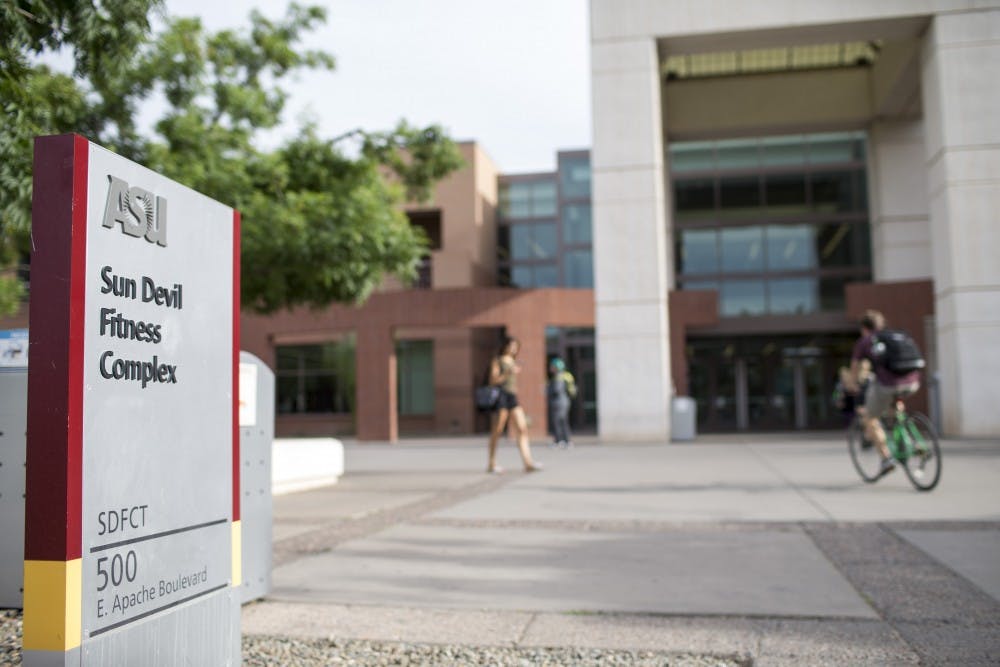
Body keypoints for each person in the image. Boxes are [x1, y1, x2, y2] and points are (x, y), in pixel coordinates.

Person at [847, 309, 921, 477]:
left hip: (888, 384)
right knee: (895, 408)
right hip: (913, 381)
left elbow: (855, 367)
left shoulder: (865, 341)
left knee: (869, 417)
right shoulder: (895, 335)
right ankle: (912, 441)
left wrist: (853, 384)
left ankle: (886, 458)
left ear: (864, 327)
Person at [486, 336, 542, 473]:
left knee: (522, 428)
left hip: (512, 397)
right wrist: (507, 373)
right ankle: (492, 463)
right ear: (505, 346)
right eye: (511, 346)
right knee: (497, 431)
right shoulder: (498, 360)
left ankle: (528, 462)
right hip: (501, 396)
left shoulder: (513, 361)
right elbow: (493, 380)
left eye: (516, 346)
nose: (513, 349)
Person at [547, 357, 577, 448]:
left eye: (552, 366)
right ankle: (566, 440)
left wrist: (548, 390)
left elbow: (557, 390)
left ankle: (559, 440)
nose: (550, 368)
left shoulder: (559, 376)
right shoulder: (567, 376)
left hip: (558, 402)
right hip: (565, 401)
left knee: (558, 421)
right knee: (563, 421)